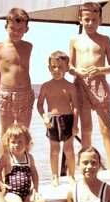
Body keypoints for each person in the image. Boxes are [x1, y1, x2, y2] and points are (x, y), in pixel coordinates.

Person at [68, 2, 110, 185]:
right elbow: (70, 66)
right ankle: (86, 170)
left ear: (100, 20)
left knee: (106, 129)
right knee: (86, 129)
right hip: (81, 84)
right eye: (87, 19)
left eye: (94, 20)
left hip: (99, 83)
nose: (90, 23)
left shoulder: (104, 39)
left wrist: (99, 70)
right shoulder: (75, 40)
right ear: (80, 19)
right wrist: (77, 71)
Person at [0, 8, 35, 154]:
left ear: (26, 29)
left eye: (20, 29)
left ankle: (23, 168)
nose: (16, 32)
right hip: (6, 94)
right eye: (12, 28)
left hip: (25, 94)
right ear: (6, 27)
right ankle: (3, 171)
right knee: (6, 133)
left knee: (24, 133)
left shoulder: (28, 46)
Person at [37, 51, 79, 187]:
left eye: (61, 67)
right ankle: (55, 177)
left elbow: (75, 107)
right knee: (54, 150)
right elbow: (39, 105)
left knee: (69, 150)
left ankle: (72, 176)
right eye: (54, 67)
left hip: (68, 120)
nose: (57, 70)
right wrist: (44, 117)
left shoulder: (70, 86)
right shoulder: (45, 86)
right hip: (51, 121)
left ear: (67, 68)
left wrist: (75, 125)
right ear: (49, 68)